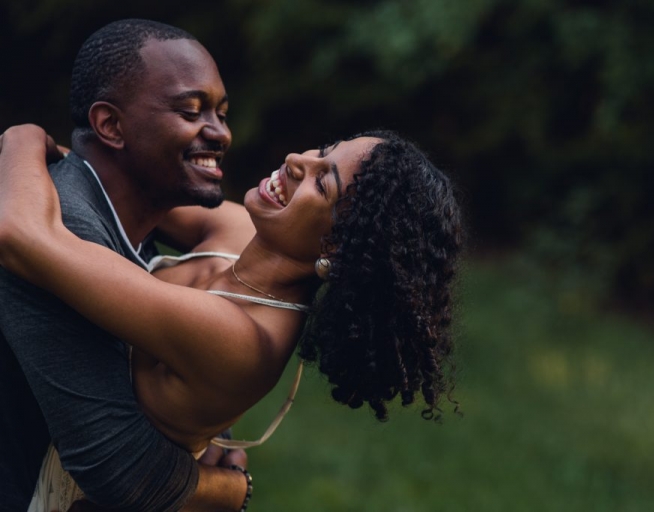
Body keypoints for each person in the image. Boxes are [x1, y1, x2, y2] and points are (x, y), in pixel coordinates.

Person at [0, 123, 463, 509]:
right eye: (322, 152)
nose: (296, 161)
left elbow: (19, 237)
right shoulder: (240, 228)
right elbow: (118, 188)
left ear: (337, 249)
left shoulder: (241, 337)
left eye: (322, 183)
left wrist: (23, 136)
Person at [0, 19, 251, 511]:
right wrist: (235, 491)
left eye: (222, 113)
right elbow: (120, 471)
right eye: (191, 110)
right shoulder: (64, 228)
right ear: (111, 125)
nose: (220, 133)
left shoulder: (116, 210)